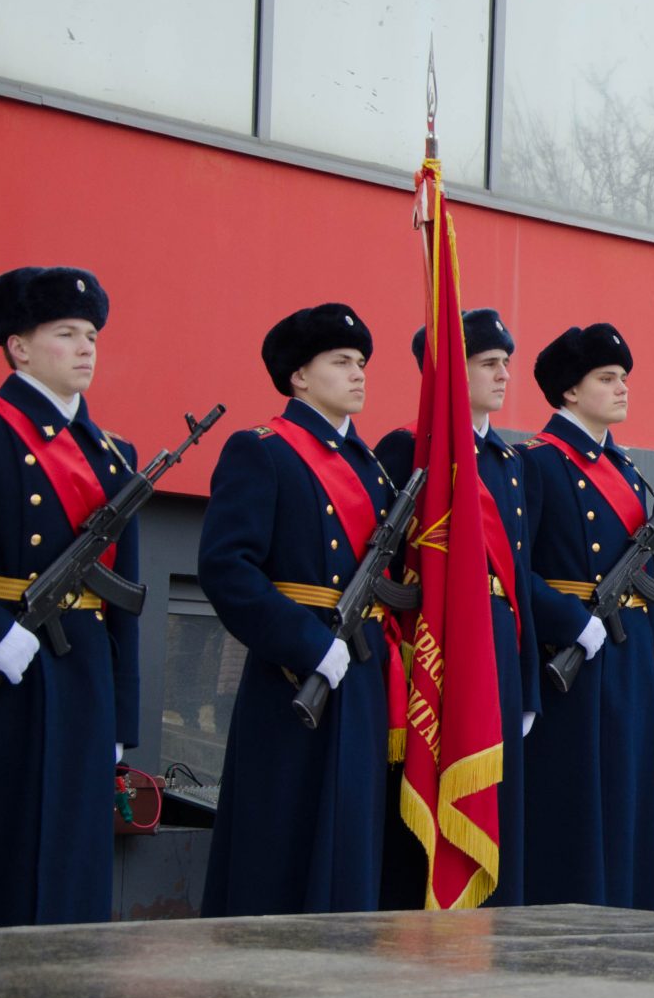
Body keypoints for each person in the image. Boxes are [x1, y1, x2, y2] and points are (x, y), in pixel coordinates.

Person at [0, 267, 139, 931]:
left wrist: (119, 721)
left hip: (81, 683)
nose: (86, 349)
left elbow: (122, 605)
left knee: (72, 866)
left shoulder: (115, 455)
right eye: (66, 333)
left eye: (92, 335)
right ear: (18, 346)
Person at [199, 303, 399, 916]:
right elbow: (226, 568)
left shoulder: (372, 469)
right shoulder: (262, 450)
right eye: (341, 362)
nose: (359, 373)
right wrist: (307, 645)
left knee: (351, 833)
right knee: (282, 833)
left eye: (362, 362)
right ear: (300, 377)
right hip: (296, 673)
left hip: (361, 670)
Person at [375, 309, 540, 908]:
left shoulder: (508, 460)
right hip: (439, 641)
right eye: (487, 363)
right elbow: (390, 560)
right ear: (448, 372)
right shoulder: (407, 448)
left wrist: (527, 686)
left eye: (505, 364)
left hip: (498, 642)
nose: (503, 375)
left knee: (499, 804)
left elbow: (518, 581)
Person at [519, 323, 654, 911]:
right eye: (606, 379)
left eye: (624, 378)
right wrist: (568, 620)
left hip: (628, 650)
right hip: (575, 659)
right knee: (579, 804)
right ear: (569, 392)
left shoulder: (626, 468)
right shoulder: (538, 463)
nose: (622, 388)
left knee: (629, 801)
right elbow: (514, 568)